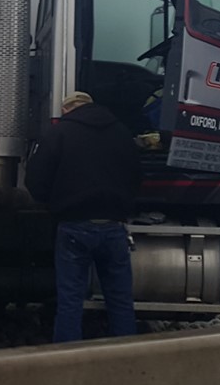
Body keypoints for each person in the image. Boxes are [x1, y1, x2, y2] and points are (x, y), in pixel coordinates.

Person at [25, 91, 142, 343]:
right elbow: (136, 176)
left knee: (70, 300)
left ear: (68, 110)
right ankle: (128, 359)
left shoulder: (59, 133)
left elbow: (35, 180)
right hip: (114, 225)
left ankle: (68, 361)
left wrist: (51, 202)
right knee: (120, 300)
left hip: (74, 225)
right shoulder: (121, 132)